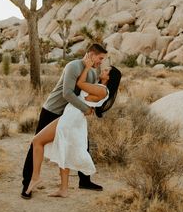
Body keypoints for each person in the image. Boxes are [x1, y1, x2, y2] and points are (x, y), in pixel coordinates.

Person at [25, 55, 122, 197]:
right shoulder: (100, 87)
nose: (103, 69)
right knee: (64, 148)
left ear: (110, 77)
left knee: (37, 141)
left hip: (71, 118)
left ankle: (35, 177)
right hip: (73, 116)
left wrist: (87, 67)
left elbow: (80, 84)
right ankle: (63, 189)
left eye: (106, 70)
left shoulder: (102, 90)